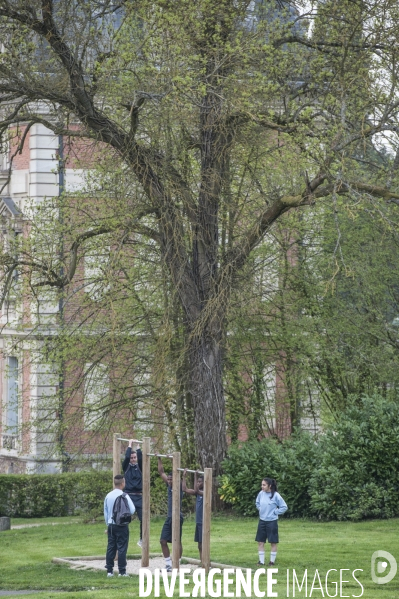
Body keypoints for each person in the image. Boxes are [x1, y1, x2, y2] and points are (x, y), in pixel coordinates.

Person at [104, 474, 135, 577]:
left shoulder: (108, 496)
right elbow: (132, 509)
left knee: (111, 547)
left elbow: (106, 512)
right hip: (122, 525)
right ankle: (122, 571)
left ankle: (109, 571)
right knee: (122, 548)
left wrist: (108, 524)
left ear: (114, 483)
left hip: (111, 525)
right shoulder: (125, 495)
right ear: (123, 483)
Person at [157, 455, 184, 572]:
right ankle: (168, 564)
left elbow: (180, 480)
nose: (168, 481)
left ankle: (177, 561)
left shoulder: (179, 487)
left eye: (171, 479)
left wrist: (175, 462)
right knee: (163, 540)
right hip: (169, 517)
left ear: (176, 479)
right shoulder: (169, 486)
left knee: (176, 541)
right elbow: (161, 471)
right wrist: (159, 458)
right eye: (168, 479)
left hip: (178, 517)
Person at [255, 477, 287, 567]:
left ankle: (271, 562)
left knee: (273, 542)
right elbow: (257, 503)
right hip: (262, 521)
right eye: (262, 485)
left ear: (270, 486)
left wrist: (275, 512)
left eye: (264, 485)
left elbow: (284, 507)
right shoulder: (261, 494)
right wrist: (260, 509)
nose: (262, 487)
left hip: (272, 522)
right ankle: (261, 561)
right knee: (260, 542)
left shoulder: (276, 495)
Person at [122, 439, 143, 547]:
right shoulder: (126, 467)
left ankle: (142, 539)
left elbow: (141, 458)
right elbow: (125, 458)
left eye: (134, 458)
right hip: (129, 496)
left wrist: (138, 446)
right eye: (132, 458)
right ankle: (122, 538)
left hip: (139, 496)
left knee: (143, 518)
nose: (133, 459)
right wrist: (130, 445)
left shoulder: (140, 467)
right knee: (123, 518)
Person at [182, 469, 204, 562]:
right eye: (197, 482)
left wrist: (195, 476)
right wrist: (184, 476)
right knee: (199, 544)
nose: (198, 483)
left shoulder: (205, 492)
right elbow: (184, 489)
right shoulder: (197, 494)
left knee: (203, 544)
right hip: (198, 522)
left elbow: (197, 490)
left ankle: (205, 561)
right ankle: (201, 561)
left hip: (203, 522)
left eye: (200, 482)